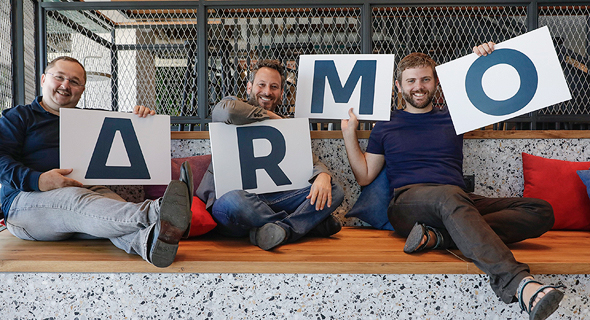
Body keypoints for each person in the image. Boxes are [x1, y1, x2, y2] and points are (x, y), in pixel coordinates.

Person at [341, 43, 565, 320]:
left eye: (425, 79)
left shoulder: (457, 115)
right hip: (407, 205)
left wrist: (485, 58)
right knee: (449, 196)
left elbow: (499, 94)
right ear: (399, 87)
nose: (418, 86)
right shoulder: (386, 125)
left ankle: (440, 237)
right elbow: (364, 175)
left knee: (540, 210)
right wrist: (349, 134)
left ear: (436, 83)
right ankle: (519, 284)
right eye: (411, 81)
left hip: (455, 200)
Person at [0, 56, 193, 268]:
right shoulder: (18, 117)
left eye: (74, 81)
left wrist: (141, 119)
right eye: (60, 77)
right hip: (25, 202)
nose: (65, 85)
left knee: (114, 209)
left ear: (82, 90)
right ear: (44, 79)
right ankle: (158, 211)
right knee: (75, 199)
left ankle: (149, 245)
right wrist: (38, 180)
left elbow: (125, 140)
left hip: (91, 195)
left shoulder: (91, 121)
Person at [197, 59, 344, 251]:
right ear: (249, 87)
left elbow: (309, 160)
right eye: (261, 85)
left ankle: (280, 230)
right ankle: (306, 225)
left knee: (334, 189)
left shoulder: (287, 127)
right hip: (235, 206)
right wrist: (271, 117)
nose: (267, 92)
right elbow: (227, 111)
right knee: (235, 201)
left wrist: (322, 175)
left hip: (273, 201)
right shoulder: (232, 106)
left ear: (281, 93)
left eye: (274, 87)